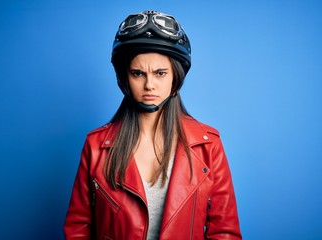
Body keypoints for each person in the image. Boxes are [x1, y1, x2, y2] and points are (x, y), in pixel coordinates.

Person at [64, 10, 242, 240]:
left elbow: (224, 232)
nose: (149, 85)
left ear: (175, 77)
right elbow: (78, 227)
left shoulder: (208, 145)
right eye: (138, 73)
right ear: (125, 78)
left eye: (160, 73)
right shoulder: (96, 145)